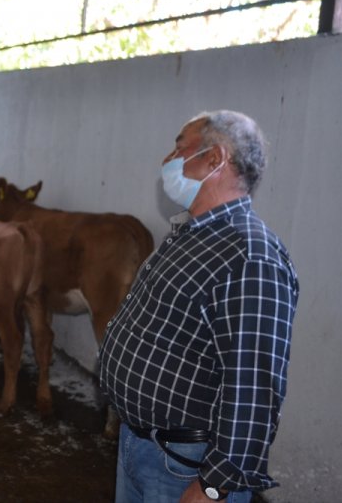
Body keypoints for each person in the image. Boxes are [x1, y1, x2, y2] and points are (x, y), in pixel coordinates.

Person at [98, 111, 299, 502]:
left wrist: (212, 486)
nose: (168, 158)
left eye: (180, 147)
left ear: (215, 159)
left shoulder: (250, 255)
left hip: (185, 466)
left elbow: (253, 387)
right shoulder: (192, 235)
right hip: (142, 445)